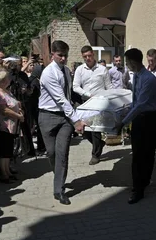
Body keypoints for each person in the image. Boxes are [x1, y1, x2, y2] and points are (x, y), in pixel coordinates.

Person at [39, 40, 85, 205]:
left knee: (62, 153)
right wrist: (77, 120)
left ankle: (59, 189)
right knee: (52, 153)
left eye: (66, 55)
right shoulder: (48, 73)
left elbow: (69, 95)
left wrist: (84, 103)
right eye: (60, 55)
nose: (64, 59)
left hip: (64, 119)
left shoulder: (66, 70)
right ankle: (58, 174)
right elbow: (60, 98)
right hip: (47, 116)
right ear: (53, 54)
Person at [114, 48, 156, 204]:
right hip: (140, 119)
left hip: (150, 119)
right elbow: (135, 102)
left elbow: (141, 105)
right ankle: (137, 187)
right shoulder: (136, 77)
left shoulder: (148, 79)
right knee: (138, 155)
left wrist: (123, 122)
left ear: (133, 62)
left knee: (147, 154)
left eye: (127, 62)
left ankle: (142, 184)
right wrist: (125, 115)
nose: (127, 65)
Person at [73, 45, 111, 165]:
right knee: (85, 130)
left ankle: (95, 155)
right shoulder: (80, 70)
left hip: (99, 104)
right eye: (85, 56)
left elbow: (109, 87)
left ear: (93, 55)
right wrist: (87, 94)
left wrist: (109, 100)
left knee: (95, 130)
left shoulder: (102, 69)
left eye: (89, 55)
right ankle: (99, 144)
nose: (88, 58)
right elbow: (75, 86)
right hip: (85, 102)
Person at [0, 67, 23, 184]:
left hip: (10, 126)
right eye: (7, 78)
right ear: (2, 80)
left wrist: (19, 110)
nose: (9, 80)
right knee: (2, 151)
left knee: (8, 150)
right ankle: (3, 175)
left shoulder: (5, 90)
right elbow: (3, 110)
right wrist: (18, 116)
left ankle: (7, 171)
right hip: (1, 126)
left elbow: (13, 103)